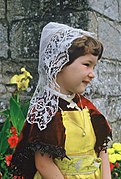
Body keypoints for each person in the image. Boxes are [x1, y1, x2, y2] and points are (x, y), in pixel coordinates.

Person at [10, 22, 112, 179]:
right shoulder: (47, 112)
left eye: (94, 67)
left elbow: (101, 148)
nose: (92, 74)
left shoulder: (86, 107)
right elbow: (44, 163)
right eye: (87, 65)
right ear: (60, 64)